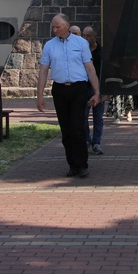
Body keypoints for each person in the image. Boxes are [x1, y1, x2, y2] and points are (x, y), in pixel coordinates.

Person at [37, 14, 100, 178]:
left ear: (67, 25)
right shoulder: (50, 45)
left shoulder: (81, 43)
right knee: (66, 129)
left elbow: (90, 69)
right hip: (60, 89)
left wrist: (96, 92)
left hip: (78, 88)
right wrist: (40, 96)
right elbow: (43, 70)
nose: (55, 30)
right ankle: (72, 164)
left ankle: (82, 164)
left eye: (58, 27)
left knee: (77, 127)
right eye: (53, 27)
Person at [83, 26, 105, 154]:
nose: (86, 38)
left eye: (88, 35)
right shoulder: (81, 50)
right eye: (84, 35)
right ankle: (86, 139)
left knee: (98, 117)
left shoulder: (102, 51)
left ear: (95, 37)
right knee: (83, 116)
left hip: (98, 88)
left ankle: (96, 143)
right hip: (84, 87)